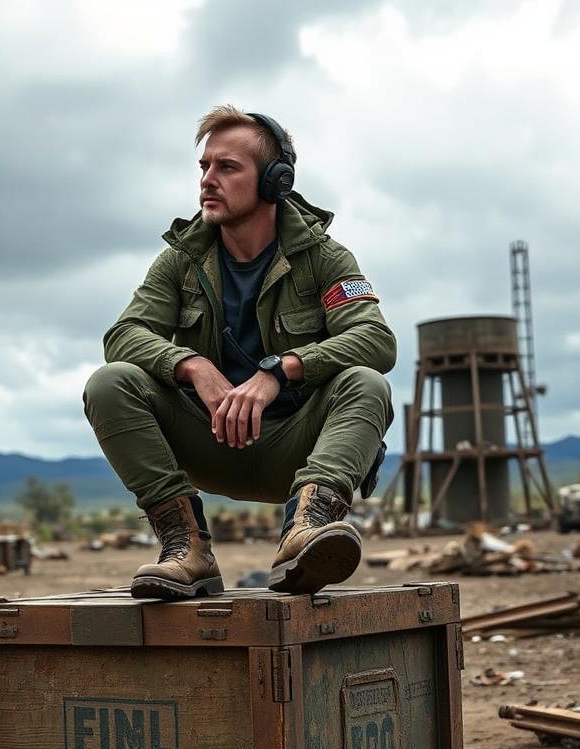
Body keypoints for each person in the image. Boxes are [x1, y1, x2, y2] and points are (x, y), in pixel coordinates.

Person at [84, 105, 395, 600]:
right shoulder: (181, 260)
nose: (208, 180)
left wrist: (281, 370)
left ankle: (305, 532)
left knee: (367, 383)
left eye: (227, 168)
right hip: (207, 440)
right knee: (110, 381)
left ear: (275, 181)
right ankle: (187, 550)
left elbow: (376, 340)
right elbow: (123, 334)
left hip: (298, 450)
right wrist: (191, 365)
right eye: (204, 167)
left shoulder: (325, 258)